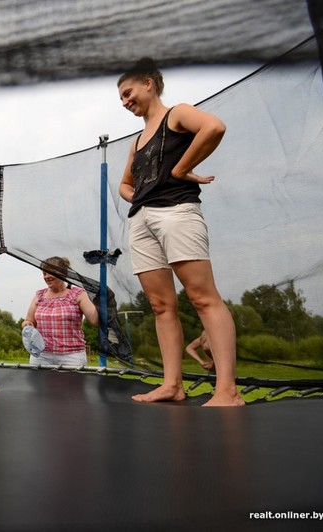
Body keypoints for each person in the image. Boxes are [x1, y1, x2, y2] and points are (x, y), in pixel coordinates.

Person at [117, 57, 244, 406]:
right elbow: (125, 185)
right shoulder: (137, 140)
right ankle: (172, 385)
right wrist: (141, 193)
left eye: (128, 93)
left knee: (202, 297)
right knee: (161, 306)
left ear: (148, 83)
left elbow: (214, 127)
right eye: (121, 100)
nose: (126, 102)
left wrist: (182, 168)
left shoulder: (177, 114)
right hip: (141, 220)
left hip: (176, 212)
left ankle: (227, 390)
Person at [21, 256, 98, 367]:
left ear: (63, 273)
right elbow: (28, 320)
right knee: (39, 385)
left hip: (72, 356)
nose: (47, 277)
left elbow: (95, 321)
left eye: (50, 273)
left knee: (72, 385)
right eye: (44, 273)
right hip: (42, 355)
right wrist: (27, 325)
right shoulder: (39, 295)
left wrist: (103, 304)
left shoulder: (78, 294)